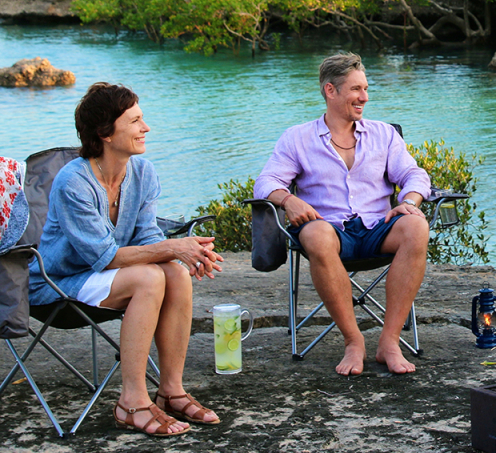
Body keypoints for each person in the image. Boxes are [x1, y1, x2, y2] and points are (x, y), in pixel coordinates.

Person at [29, 83, 224, 436]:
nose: (145, 128)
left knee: (176, 275)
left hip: (105, 278)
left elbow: (148, 236)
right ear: (105, 132)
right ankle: (131, 402)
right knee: (150, 277)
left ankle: (171, 391)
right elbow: (102, 257)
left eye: (142, 119)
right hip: (59, 283)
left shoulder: (143, 172)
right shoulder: (73, 181)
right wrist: (174, 247)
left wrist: (185, 254)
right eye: (135, 121)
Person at [254, 52, 431, 376]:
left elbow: (414, 175)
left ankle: (389, 342)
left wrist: (411, 200)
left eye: (365, 88)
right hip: (329, 230)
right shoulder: (297, 138)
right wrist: (289, 200)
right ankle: (354, 341)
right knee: (316, 234)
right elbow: (266, 182)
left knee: (416, 228)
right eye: (355, 89)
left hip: (379, 226)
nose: (364, 97)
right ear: (330, 90)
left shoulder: (384, 134)